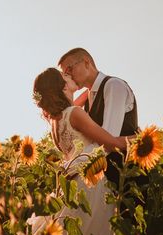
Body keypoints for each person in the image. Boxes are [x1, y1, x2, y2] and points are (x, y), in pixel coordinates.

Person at [30, 67, 131, 235]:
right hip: (90, 186)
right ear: (62, 86)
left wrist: (90, 85)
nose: (70, 76)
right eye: (65, 76)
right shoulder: (75, 114)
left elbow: (86, 94)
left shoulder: (56, 121)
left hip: (71, 187)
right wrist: (136, 140)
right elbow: (109, 142)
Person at [57, 47, 139, 188]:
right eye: (65, 74)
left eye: (69, 69)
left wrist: (73, 166)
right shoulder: (89, 98)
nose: (68, 76)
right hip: (108, 181)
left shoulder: (113, 85)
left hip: (128, 180)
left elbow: (108, 140)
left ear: (86, 63)